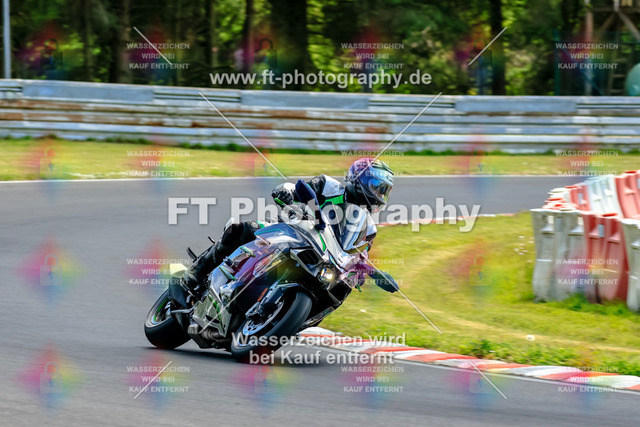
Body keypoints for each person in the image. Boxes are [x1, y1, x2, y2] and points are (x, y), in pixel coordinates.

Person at [181, 158, 394, 292]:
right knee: (242, 229)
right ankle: (197, 271)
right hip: (291, 230)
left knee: (337, 290)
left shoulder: (368, 227)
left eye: (384, 191)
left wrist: (369, 273)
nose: (380, 195)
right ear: (359, 179)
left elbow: (359, 255)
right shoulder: (330, 186)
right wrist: (287, 191)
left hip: (324, 258)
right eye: (377, 187)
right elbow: (300, 189)